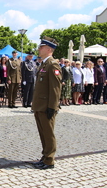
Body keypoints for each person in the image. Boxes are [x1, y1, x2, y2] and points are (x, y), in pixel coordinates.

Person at [31, 36, 62, 170]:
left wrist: (52, 107)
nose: (39, 48)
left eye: (42, 47)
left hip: (47, 106)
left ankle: (50, 160)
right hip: (40, 105)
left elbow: (55, 88)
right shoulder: (44, 64)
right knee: (43, 133)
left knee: (48, 134)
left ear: (49, 49)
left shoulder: (52, 64)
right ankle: (45, 156)